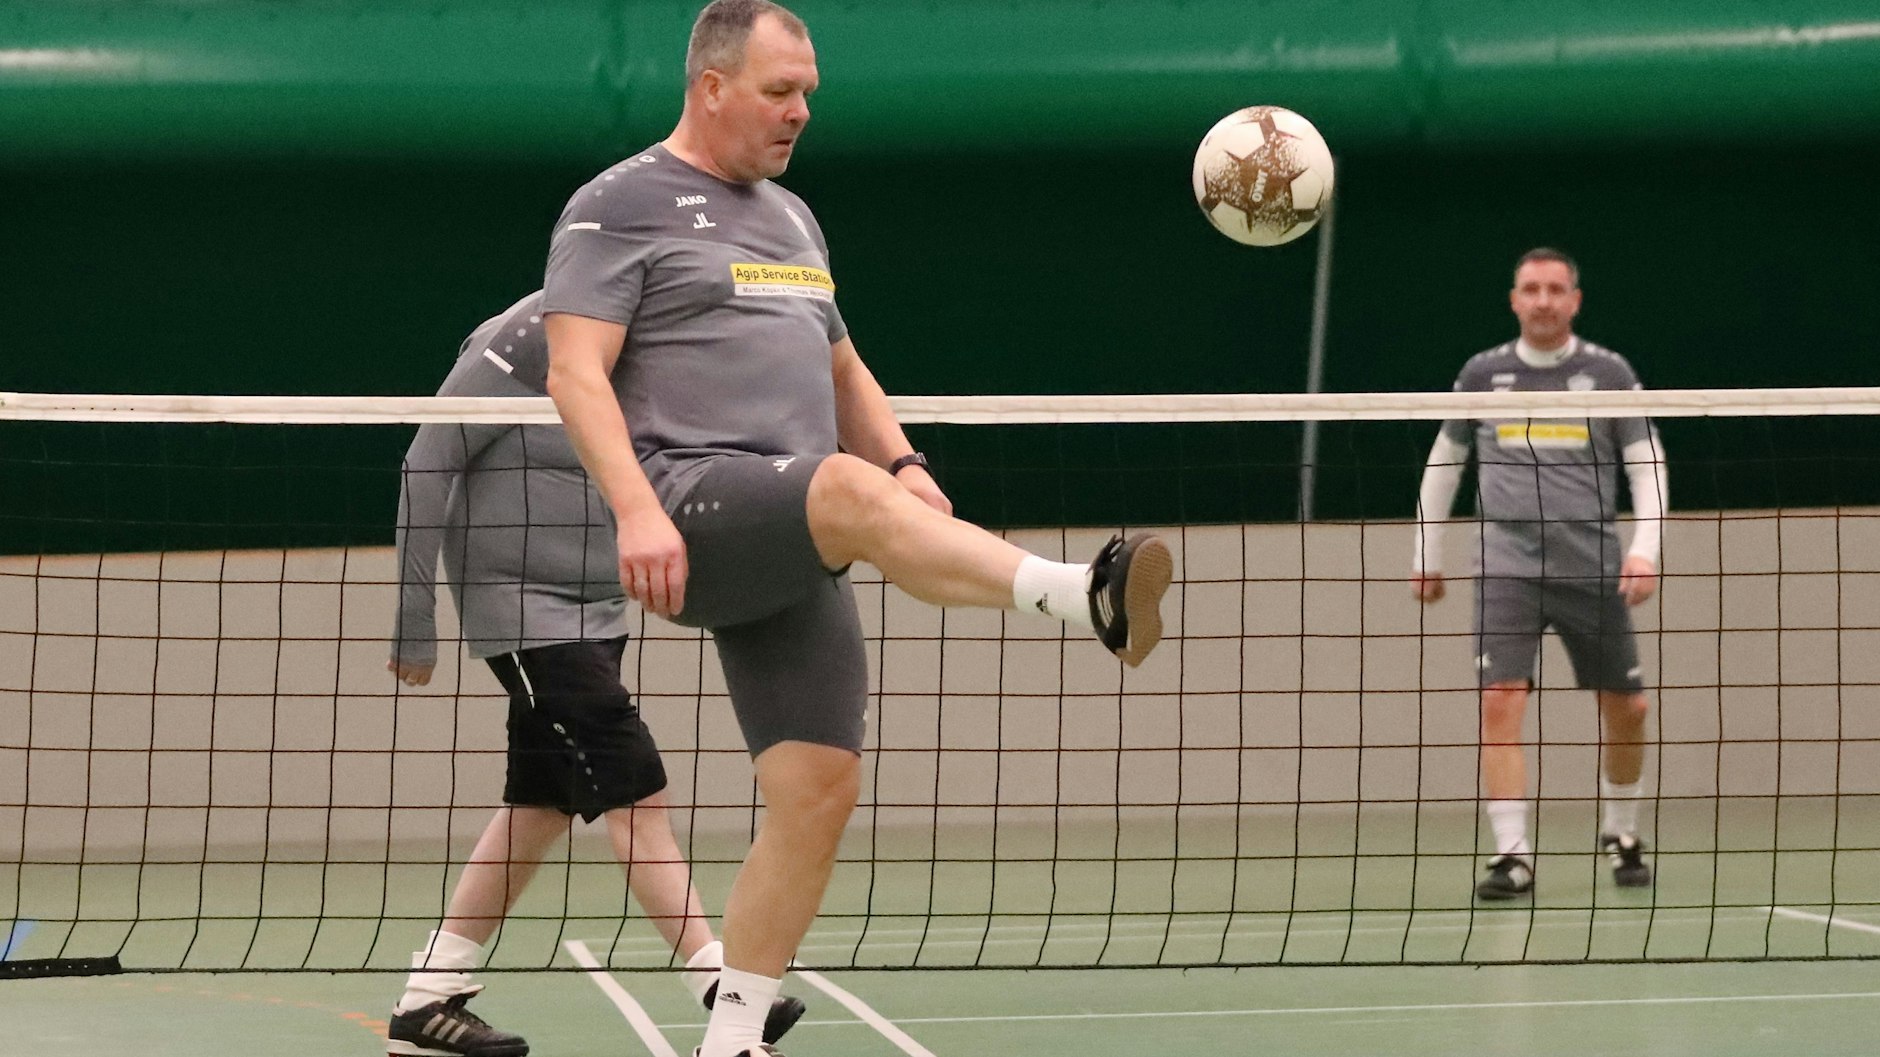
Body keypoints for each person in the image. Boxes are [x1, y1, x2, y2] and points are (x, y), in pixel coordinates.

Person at [540, 3, 1174, 1055]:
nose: (798, 113)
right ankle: (1083, 594)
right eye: (778, 91)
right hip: (695, 504)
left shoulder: (791, 220)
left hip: (795, 534)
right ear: (710, 86)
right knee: (839, 489)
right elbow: (574, 372)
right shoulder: (617, 206)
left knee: (817, 790)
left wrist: (907, 466)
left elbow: (842, 371)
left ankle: (733, 1033)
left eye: (808, 95)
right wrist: (637, 508)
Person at [385, 292, 805, 1057]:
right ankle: (719, 984)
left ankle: (428, 999)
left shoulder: (669, 347)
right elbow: (425, 461)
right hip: (522, 614)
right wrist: (416, 619)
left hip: (600, 613)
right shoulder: (524, 337)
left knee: (538, 806)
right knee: (637, 791)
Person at [1411, 247, 1667, 900]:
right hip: (1507, 568)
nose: (1545, 299)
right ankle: (1513, 854)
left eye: (1557, 289)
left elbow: (1647, 464)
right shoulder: (1483, 374)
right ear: (1515, 299)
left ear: (1574, 300)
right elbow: (1445, 463)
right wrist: (1425, 554)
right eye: (1532, 288)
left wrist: (1646, 549)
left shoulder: (1609, 373)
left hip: (1594, 568)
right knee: (1500, 701)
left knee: (1630, 707)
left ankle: (1621, 828)